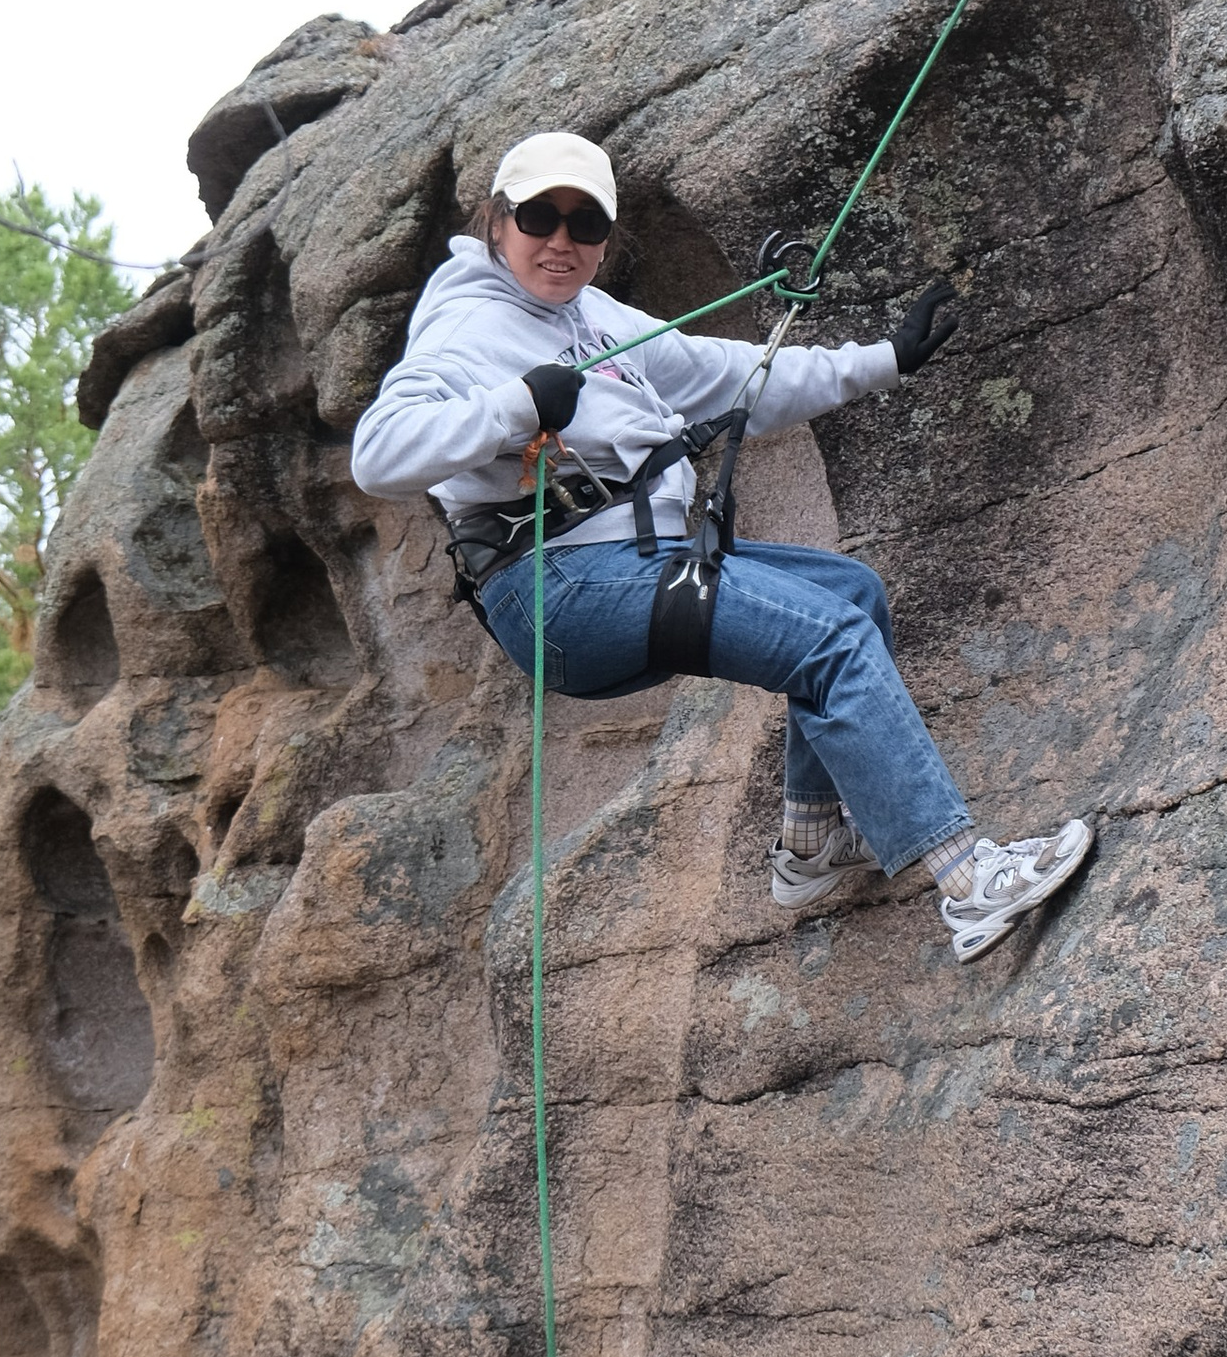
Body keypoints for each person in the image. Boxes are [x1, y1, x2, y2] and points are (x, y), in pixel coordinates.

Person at [349, 133, 1094, 967]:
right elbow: (379, 455)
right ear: (496, 222)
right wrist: (513, 409)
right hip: (559, 590)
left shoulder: (593, 318)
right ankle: (968, 883)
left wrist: (882, 361)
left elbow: (732, 374)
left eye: (585, 223)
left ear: (605, 237)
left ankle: (812, 844)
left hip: (635, 567)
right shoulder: (465, 322)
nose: (561, 241)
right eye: (539, 216)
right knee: (830, 641)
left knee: (852, 597)